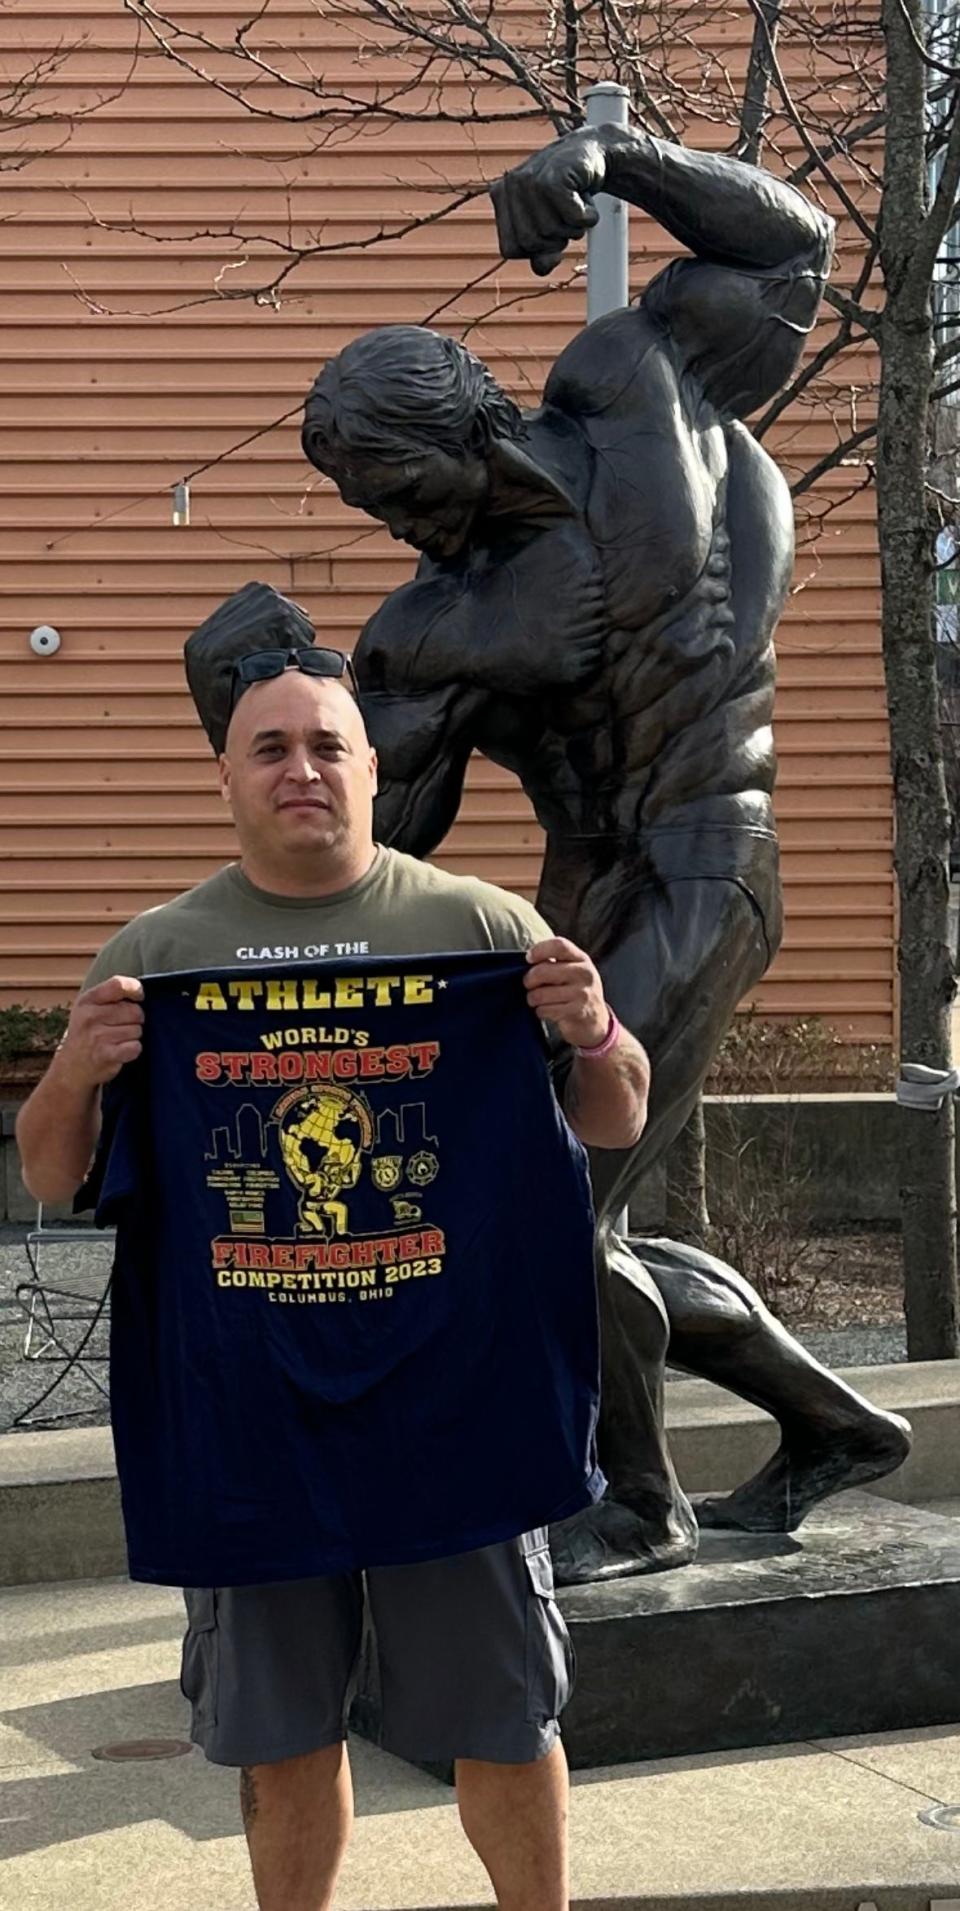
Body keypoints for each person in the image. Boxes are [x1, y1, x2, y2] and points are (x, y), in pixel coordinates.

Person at [300, 125, 910, 1582]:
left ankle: (638, 1503)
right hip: (582, 897)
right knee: (578, 1202)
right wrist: (324, 712)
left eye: (397, 488)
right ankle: (835, 1427)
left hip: (712, 853)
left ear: (465, 430)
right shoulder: (428, 624)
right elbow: (390, 840)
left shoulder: (643, 394)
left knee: (552, 1196)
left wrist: (619, 158)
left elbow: (793, 249)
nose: (393, 523)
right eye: (368, 509)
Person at [16, 584, 651, 1911]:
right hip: (251, 1421)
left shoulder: (478, 929)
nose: (300, 769)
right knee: (281, 1731)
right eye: (270, 748)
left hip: (454, 1408)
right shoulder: (162, 955)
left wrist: (591, 1029)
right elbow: (57, 1170)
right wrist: (77, 1069)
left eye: (326, 746)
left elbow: (617, 1114)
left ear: (373, 768)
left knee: (502, 1715)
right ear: (229, 777)